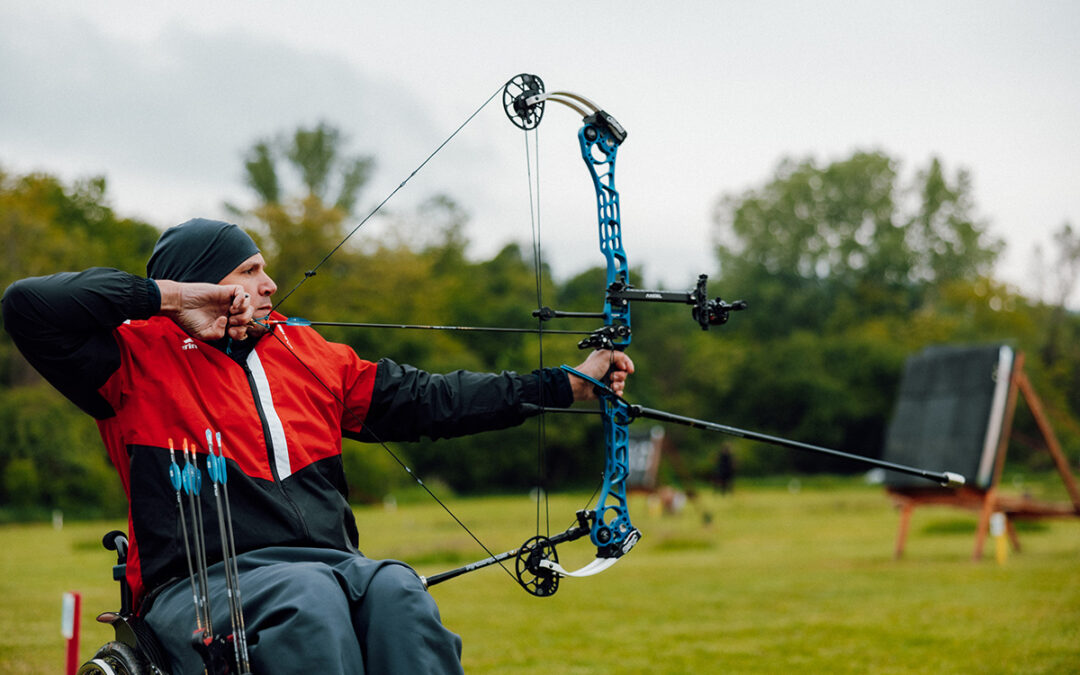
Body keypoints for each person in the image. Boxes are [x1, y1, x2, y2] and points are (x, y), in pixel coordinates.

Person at [1, 218, 633, 674]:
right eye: (249, 271)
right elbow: (27, 304)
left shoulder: (309, 354)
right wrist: (172, 301)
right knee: (308, 604)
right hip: (198, 588)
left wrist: (566, 386)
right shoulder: (130, 360)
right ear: (202, 286)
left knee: (396, 593)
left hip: (334, 569)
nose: (270, 284)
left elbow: (434, 399)